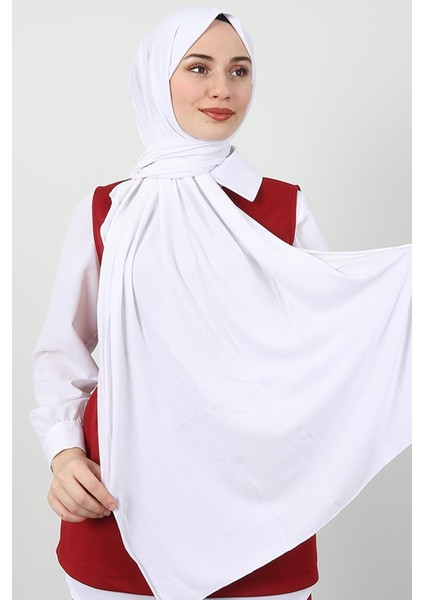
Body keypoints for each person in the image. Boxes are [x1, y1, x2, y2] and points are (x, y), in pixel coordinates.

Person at [30, 7, 411, 600]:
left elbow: (329, 341)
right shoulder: (108, 210)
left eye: (239, 71)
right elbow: (63, 351)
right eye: (198, 67)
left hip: (263, 511)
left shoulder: (284, 207)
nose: (222, 89)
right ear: (158, 77)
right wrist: (63, 455)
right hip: (120, 499)